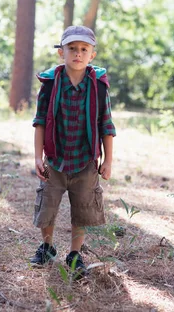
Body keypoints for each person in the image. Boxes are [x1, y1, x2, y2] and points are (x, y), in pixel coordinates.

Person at [30, 25, 116, 279]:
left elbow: (107, 125)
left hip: (85, 161)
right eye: (72, 48)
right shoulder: (49, 84)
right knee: (47, 205)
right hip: (55, 160)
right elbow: (40, 121)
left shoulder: (99, 88)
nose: (77, 54)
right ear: (61, 53)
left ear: (92, 55)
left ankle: (75, 254)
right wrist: (37, 156)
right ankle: (46, 247)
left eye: (83, 49)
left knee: (82, 208)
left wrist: (108, 160)